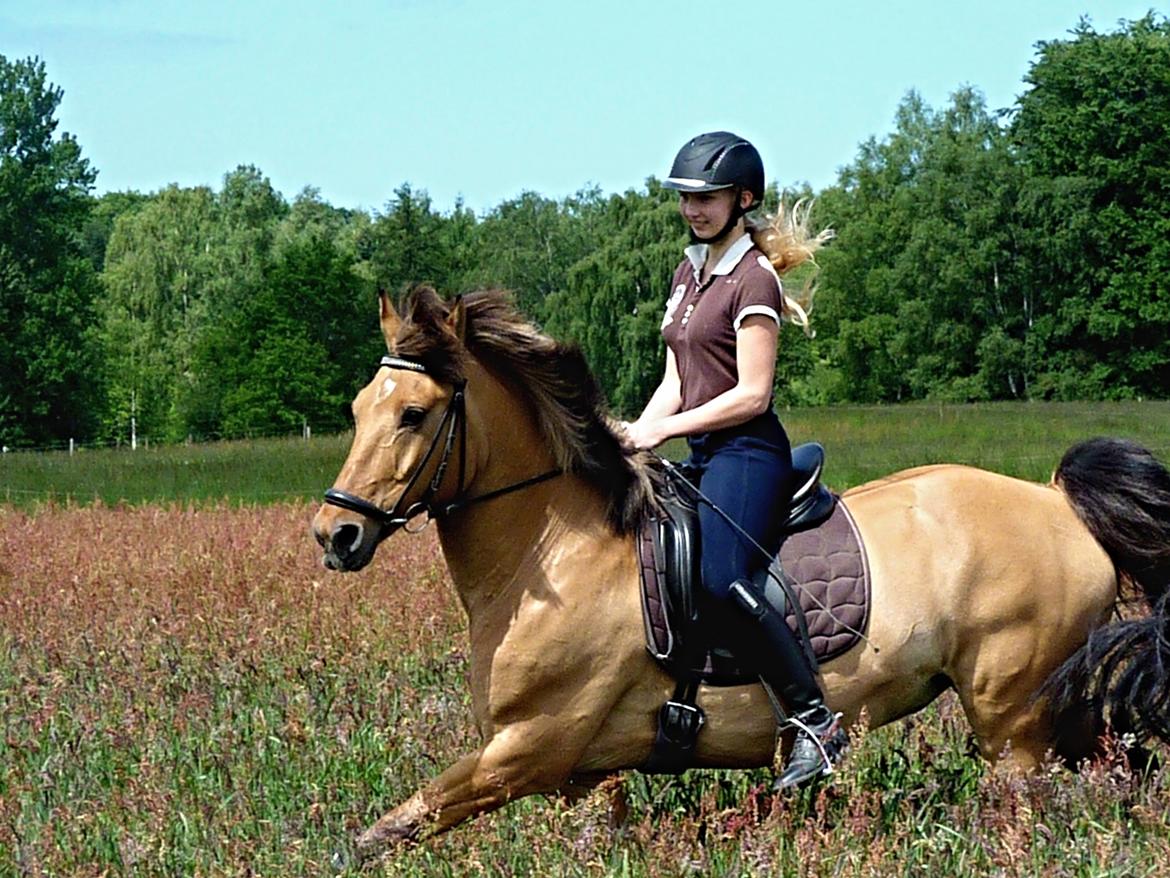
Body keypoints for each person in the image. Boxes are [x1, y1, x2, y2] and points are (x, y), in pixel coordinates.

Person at [623, 131, 847, 791]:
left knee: (722, 579)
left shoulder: (754, 278)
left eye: (707, 198)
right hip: (702, 448)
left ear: (744, 199)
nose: (693, 209)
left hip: (748, 452)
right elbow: (677, 378)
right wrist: (636, 433)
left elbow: (752, 394)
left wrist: (662, 431)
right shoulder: (689, 273)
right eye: (686, 198)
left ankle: (814, 722)